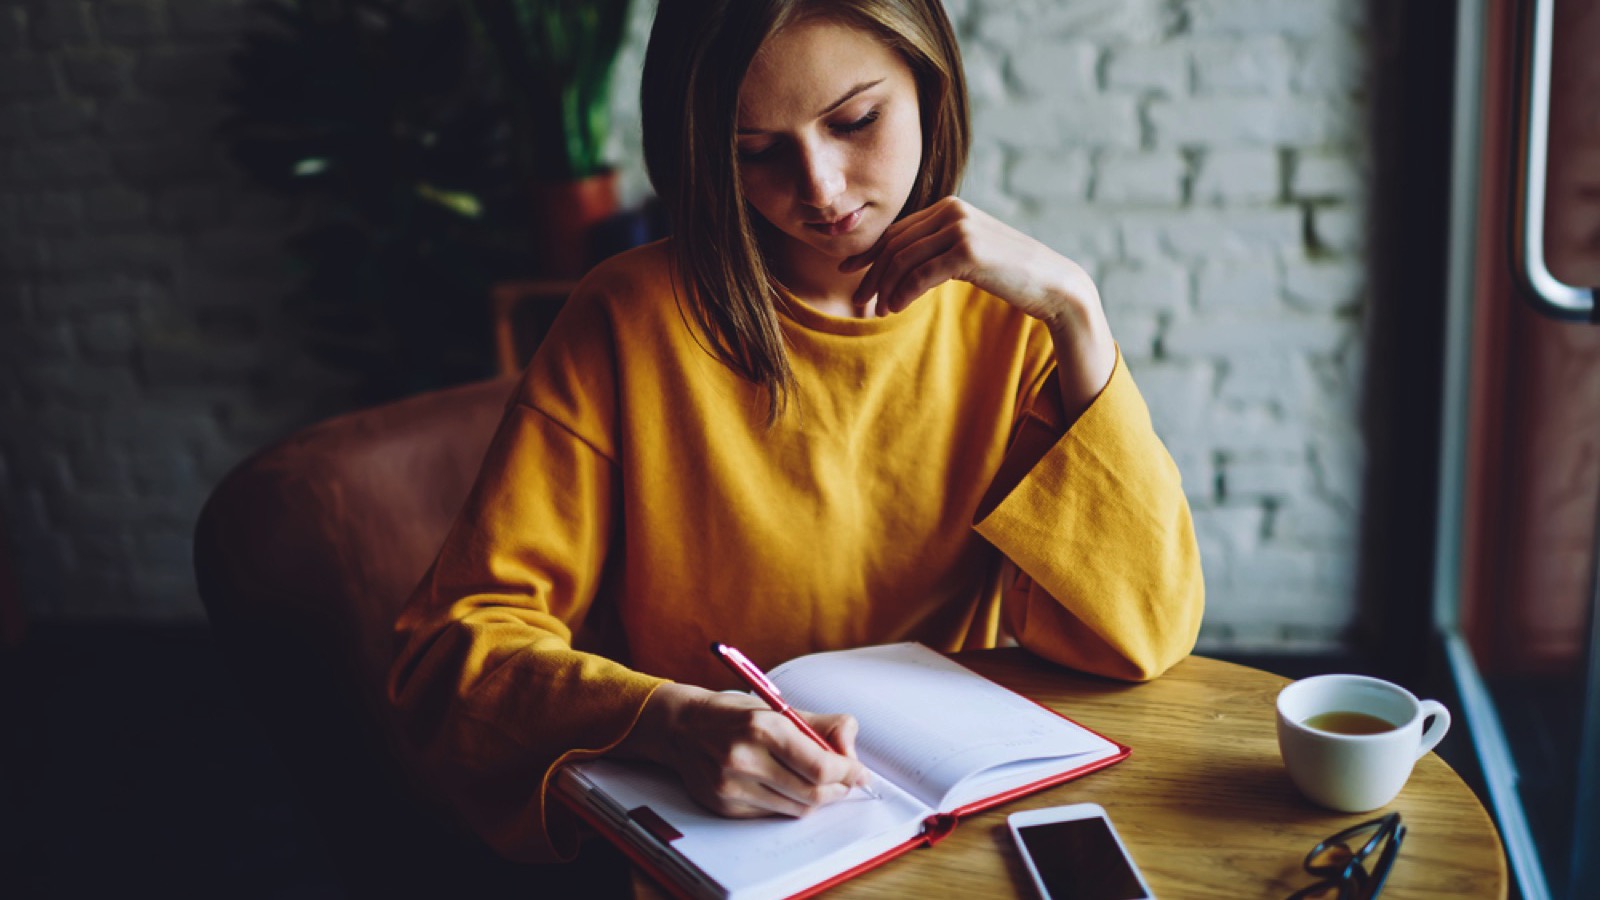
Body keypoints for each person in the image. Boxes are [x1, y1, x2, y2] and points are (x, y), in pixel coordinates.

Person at [387, 0, 1204, 868]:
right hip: (715, 834)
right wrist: (667, 723)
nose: (820, 188)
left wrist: (1077, 313)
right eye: (755, 151)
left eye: (856, 121)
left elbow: (1139, 634)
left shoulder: (1013, 326)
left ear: (931, 87)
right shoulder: (627, 320)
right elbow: (451, 656)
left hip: (945, 825)